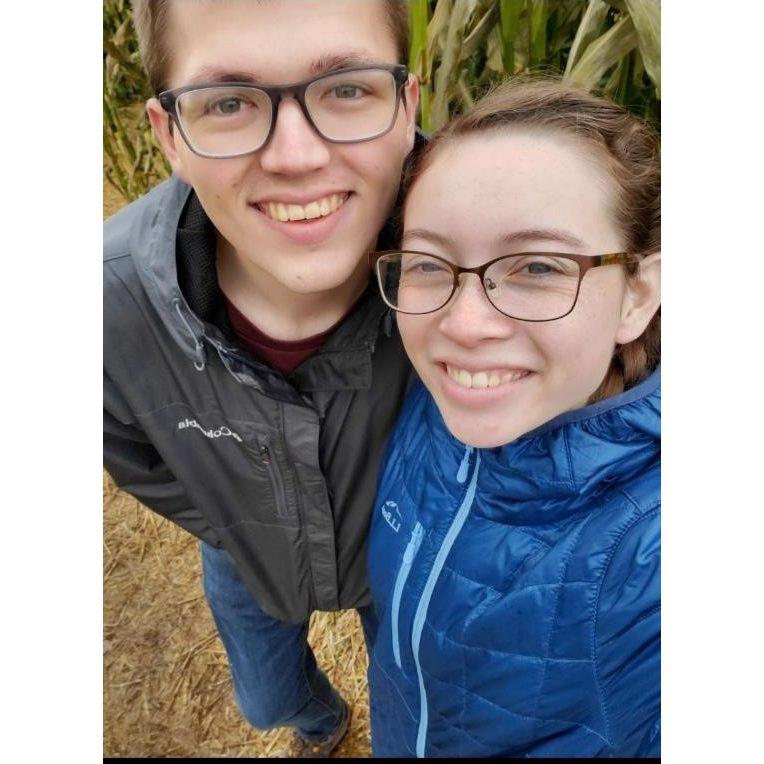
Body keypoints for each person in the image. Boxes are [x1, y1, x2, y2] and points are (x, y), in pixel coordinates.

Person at [103, 0, 419, 756]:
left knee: (411, 686)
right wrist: (231, 517)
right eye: (230, 103)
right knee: (266, 697)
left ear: (408, 105)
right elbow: (130, 448)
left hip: (400, 553)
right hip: (246, 552)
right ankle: (320, 721)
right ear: (167, 134)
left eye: (347, 88)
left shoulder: (480, 272)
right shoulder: (105, 308)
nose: (296, 155)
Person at [366, 78, 661, 757]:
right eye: (429, 263)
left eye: (535, 266)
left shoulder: (650, 556)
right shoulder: (429, 406)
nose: (464, 325)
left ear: (637, 295)